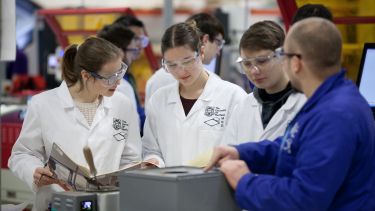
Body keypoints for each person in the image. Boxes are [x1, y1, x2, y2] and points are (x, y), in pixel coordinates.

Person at [205, 18, 375, 210]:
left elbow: (304, 198)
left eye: (282, 55)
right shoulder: (327, 100)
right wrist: (242, 152)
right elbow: (292, 147)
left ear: (295, 63)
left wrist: (245, 181)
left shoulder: (335, 114)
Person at [8, 37, 142, 210]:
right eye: (110, 77)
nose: (118, 82)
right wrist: (33, 170)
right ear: (86, 76)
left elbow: (131, 158)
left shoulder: (122, 104)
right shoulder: (43, 104)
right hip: (57, 202)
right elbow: (21, 154)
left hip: (108, 204)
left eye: (120, 71)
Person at [142, 22, 246, 167]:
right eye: (171, 65)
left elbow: (242, 150)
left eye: (188, 61)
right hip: (169, 186)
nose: (181, 71)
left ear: (201, 52)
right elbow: (151, 149)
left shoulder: (233, 96)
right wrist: (153, 161)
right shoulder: (159, 99)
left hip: (213, 186)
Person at [222, 21, 306, 144]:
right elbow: (228, 154)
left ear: (282, 55)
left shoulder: (304, 103)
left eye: (262, 61)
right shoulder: (243, 107)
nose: (254, 71)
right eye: (246, 63)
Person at [144, 12, 226, 109]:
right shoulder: (158, 94)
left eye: (187, 61)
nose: (181, 71)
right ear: (205, 40)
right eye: (218, 42)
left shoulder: (227, 92)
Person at [113, 15, 149, 134]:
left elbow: (138, 115)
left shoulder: (129, 76)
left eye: (141, 40)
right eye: (135, 39)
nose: (138, 45)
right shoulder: (113, 76)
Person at [98, 23, 140, 114]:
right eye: (132, 51)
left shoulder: (128, 78)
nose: (133, 58)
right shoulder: (122, 86)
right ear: (119, 52)